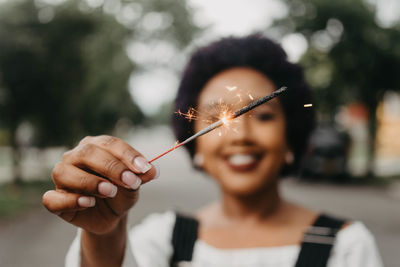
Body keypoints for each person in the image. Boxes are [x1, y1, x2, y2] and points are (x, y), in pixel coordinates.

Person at [42, 34, 383, 267]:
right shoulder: (161, 240)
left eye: (262, 115)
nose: (241, 135)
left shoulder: (346, 247)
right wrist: (103, 239)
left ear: (291, 140)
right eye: (217, 116)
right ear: (197, 145)